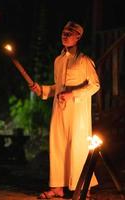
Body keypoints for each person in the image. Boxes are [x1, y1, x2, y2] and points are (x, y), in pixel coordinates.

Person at [30, 21, 100, 198]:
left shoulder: (84, 61)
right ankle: (57, 187)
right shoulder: (58, 60)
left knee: (78, 146)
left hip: (78, 113)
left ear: (78, 37)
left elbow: (95, 86)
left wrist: (73, 94)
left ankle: (84, 187)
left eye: (70, 33)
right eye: (64, 32)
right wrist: (43, 90)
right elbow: (58, 87)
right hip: (60, 110)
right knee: (58, 145)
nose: (65, 35)